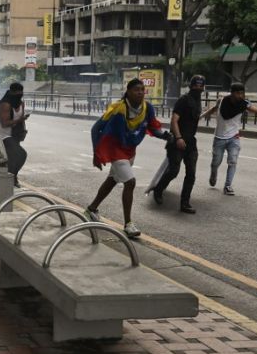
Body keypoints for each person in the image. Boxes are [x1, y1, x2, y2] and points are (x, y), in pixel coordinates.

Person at [85, 79, 170, 238]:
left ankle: (91, 209)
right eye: (136, 89)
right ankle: (128, 224)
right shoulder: (118, 109)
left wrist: (167, 136)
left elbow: (153, 128)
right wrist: (96, 153)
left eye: (142, 89)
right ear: (128, 92)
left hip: (130, 151)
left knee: (112, 180)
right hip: (115, 150)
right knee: (130, 182)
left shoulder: (147, 108)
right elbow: (96, 129)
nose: (140, 92)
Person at [201, 83, 257, 195]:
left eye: (242, 93)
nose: (240, 95)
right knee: (216, 162)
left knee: (233, 161)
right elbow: (214, 109)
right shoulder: (221, 101)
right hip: (219, 138)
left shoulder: (244, 104)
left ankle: (228, 186)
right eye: (237, 93)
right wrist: (201, 116)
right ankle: (213, 172)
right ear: (232, 93)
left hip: (233, 137)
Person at [152, 75, 205, 213]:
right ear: (191, 86)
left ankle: (185, 203)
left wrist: (214, 109)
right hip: (177, 141)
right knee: (174, 171)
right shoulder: (184, 100)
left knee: (191, 174)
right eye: (196, 86)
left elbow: (197, 117)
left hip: (191, 142)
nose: (198, 88)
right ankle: (158, 190)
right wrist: (179, 138)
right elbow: (174, 120)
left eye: (201, 86)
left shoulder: (198, 102)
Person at [0, 82, 28, 188]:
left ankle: (12, 177)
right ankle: (10, 178)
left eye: (21, 93)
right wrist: (20, 120)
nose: (20, 95)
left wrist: (23, 130)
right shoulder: (5, 105)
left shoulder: (21, 103)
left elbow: (21, 119)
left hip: (14, 135)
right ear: (12, 92)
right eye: (18, 93)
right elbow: (4, 124)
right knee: (21, 154)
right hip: (3, 136)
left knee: (14, 159)